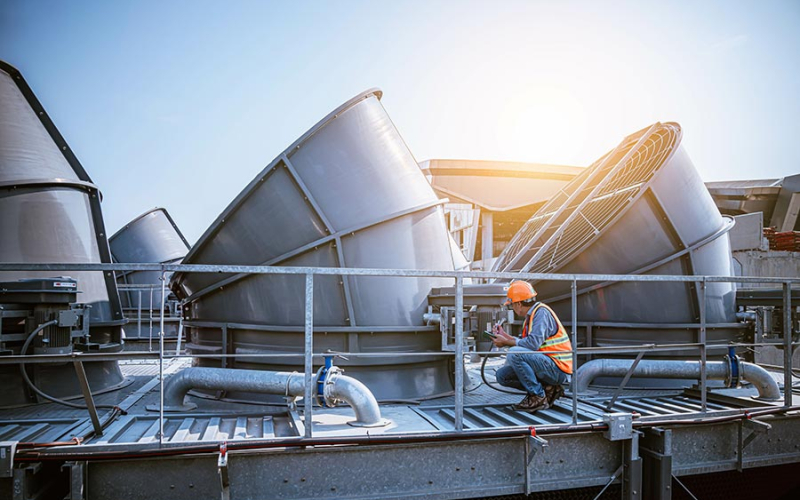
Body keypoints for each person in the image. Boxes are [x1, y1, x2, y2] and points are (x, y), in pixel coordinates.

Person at [492, 280, 573, 413]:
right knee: (503, 376)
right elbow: (526, 344)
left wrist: (506, 342)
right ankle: (548, 388)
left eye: (511, 305)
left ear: (518, 304)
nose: (512, 308)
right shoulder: (532, 315)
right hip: (547, 364)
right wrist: (505, 336)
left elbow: (532, 344)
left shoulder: (541, 313)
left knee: (515, 353)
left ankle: (537, 397)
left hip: (558, 369)